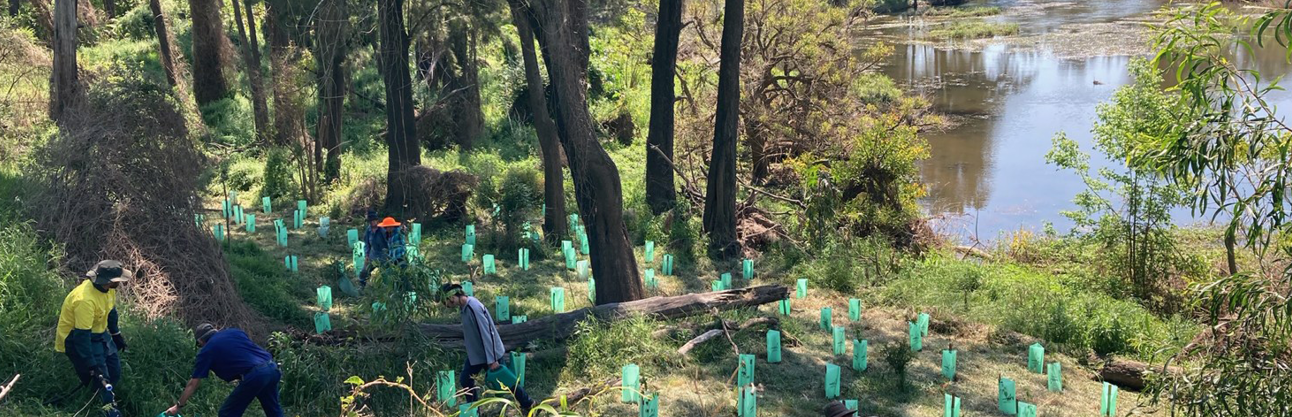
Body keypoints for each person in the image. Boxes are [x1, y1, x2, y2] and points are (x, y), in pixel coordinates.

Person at [440, 283, 533, 412]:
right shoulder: (464, 307)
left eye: (444, 302)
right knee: (466, 380)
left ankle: (528, 403)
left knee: (507, 380)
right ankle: (474, 411)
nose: (445, 306)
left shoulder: (473, 307)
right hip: (478, 354)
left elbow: (487, 333)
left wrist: (492, 359)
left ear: (451, 297)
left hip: (489, 354)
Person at [56, 260, 131, 417]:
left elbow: (111, 312)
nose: (120, 282)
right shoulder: (84, 300)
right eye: (118, 280)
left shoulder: (109, 290)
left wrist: (116, 335)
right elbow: (81, 337)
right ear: (109, 281)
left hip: (99, 334)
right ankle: (107, 409)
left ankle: (105, 399)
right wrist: (91, 364)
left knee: (114, 371)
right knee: (101, 378)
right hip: (78, 338)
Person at [164, 324, 283, 417]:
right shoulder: (235, 332)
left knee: (227, 414)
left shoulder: (206, 351)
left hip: (256, 375)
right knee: (273, 411)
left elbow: (193, 383)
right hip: (273, 368)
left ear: (201, 341)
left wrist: (178, 406)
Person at [361, 214, 407, 287]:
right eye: (371, 221)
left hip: (395, 256)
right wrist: (366, 254)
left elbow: (402, 231)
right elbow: (367, 244)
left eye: (374, 221)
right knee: (365, 271)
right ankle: (362, 285)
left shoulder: (397, 231)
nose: (386, 229)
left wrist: (403, 228)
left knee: (395, 274)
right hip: (376, 254)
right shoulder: (370, 231)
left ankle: (400, 289)